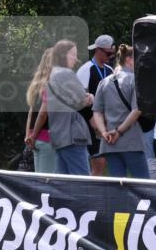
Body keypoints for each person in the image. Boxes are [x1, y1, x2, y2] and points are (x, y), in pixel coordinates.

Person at [90, 44, 149, 178]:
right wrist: (119, 131)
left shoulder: (104, 82)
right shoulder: (135, 80)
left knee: (117, 186)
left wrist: (104, 132)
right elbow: (137, 110)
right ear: (128, 60)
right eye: (138, 59)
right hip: (131, 141)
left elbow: (97, 111)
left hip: (109, 143)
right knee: (144, 184)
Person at [46, 40, 95, 176]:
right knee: (83, 180)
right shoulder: (65, 73)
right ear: (63, 55)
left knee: (64, 182)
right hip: (72, 135)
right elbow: (81, 100)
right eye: (73, 54)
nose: (76, 58)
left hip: (59, 135)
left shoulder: (53, 73)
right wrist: (91, 97)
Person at [76, 34, 115, 176]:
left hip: (106, 123)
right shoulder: (85, 70)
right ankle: (88, 195)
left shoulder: (110, 70)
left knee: (104, 164)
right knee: (98, 165)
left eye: (112, 53)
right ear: (98, 50)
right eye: (108, 53)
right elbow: (77, 100)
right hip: (89, 124)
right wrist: (91, 119)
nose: (110, 57)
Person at [24, 48, 58, 174]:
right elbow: (43, 114)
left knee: (40, 178)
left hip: (35, 139)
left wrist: (28, 135)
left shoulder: (36, 84)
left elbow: (31, 112)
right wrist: (32, 136)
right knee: (47, 181)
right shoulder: (52, 84)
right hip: (47, 138)